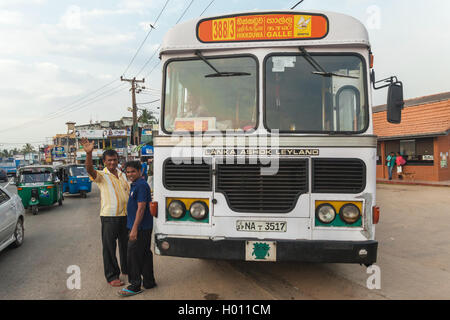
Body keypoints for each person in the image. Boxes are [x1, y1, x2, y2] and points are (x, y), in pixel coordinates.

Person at [80, 137, 130, 287]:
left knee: (126, 245)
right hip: (109, 217)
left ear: (118, 159)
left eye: (114, 160)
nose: (112, 163)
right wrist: (89, 154)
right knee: (109, 247)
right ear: (104, 162)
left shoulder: (122, 174)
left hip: (125, 216)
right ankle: (112, 275)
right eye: (109, 161)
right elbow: (89, 169)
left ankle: (127, 269)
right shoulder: (102, 175)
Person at [118, 161, 156, 297]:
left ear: (140, 171)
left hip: (140, 227)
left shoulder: (141, 185)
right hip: (142, 226)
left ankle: (135, 285)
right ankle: (149, 282)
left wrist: (134, 229)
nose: (130, 174)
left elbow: (141, 208)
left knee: (133, 255)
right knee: (145, 254)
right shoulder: (136, 185)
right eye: (128, 172)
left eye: (133, 171)